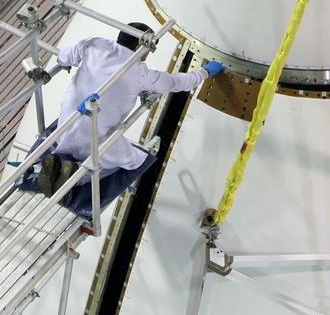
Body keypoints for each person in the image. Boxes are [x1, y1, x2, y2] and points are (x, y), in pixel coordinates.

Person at [32, 22, 225, 216]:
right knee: (137, 162)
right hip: (95, 142)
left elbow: (64, 56)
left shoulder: (94, 44)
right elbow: (176, 83)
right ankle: (75, 178)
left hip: (64, 127)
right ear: (140, 47)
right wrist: (204, 72)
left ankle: (58, 161)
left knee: (80, 132)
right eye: (150, 48)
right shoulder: (140, 73)